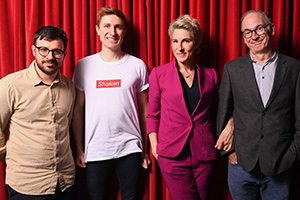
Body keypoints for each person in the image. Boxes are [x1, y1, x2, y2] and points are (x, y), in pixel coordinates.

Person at [147, 14, 233, 200]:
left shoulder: (211, 75)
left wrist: (231, 123)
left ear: (196, 43)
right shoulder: (159, 74)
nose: (179, 47)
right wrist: (155, 147)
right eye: (175, 41)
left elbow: (223, 108)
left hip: (204, 155)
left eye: (185, 41)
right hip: (172, 156)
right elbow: (152, 115)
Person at [217, 10, 300, 200]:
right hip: (241, 167)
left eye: (259, 29)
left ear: (272, 29)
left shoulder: (294, 69)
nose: (254, 36)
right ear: (244, 38)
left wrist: (290, 157)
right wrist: (229, 153)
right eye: (247, 32)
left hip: (280, 167)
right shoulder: (232, 69)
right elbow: (222, 114)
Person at [72, 6, 151, 200]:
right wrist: (80, 149)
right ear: (97, 30)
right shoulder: (84, 65)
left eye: (118, 27)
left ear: (124, 32)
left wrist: (145, 149)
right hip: (96, 148)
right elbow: (78, 111)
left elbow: (144, 110)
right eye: (107, 26)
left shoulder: (137, 65)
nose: (112, 32)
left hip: (130, 148)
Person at [0, 25, 75, 200]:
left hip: (65, 182)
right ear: (33, 50)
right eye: (44, 50)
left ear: (64, 54)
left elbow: (67, 125)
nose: (50, 57)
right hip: (27, 185)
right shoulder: (10, 85)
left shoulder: (69, 86)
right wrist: (9, 156)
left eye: (57, 51)